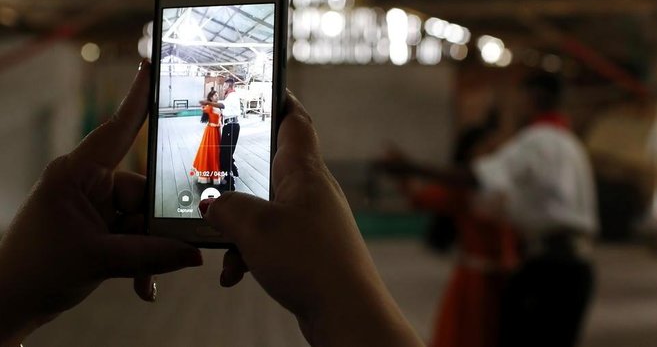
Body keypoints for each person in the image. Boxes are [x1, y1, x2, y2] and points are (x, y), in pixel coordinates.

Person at [0, 60, 424, 347]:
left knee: (217, 164)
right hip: (216, 145)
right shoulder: (214, 110)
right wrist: (339, 301)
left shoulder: (224, 112)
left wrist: (11, 300)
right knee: (213, 164)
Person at [382, 71, 597, 347]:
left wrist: (412, 168)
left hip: (546, 268)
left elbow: (476, 178)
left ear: (532, 98)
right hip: (575, 267)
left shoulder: (535, 143)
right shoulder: (572, 145)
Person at [383, 114, 519, 347]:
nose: (495, 153)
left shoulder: (507, 183)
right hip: (476, 283)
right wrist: (404, 174)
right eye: (487, 147)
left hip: (508, 279)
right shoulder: (463, 191)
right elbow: (420, 196)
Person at [200, 78, 241, 190]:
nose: (223, 88)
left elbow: (222, 106)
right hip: (229, 127)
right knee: (226, 152)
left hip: (231, 126)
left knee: (225, 155)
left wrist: (208, 102)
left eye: (224, 86)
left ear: (229, 86)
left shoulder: (232, 96)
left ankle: (229, 182)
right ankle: (233, 171)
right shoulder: (230, 97)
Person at [193, 89, 223, 185]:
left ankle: (214, 173)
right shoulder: (210, 106)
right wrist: (205, 104)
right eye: (214, 95)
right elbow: (203, 108)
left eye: (217, 95)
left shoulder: (217, 106)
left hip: (217, 131)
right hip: (211, 132)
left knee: (216, 152)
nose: (217, 96)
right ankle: (208, 174)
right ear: (210, 98)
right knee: (210, 152)